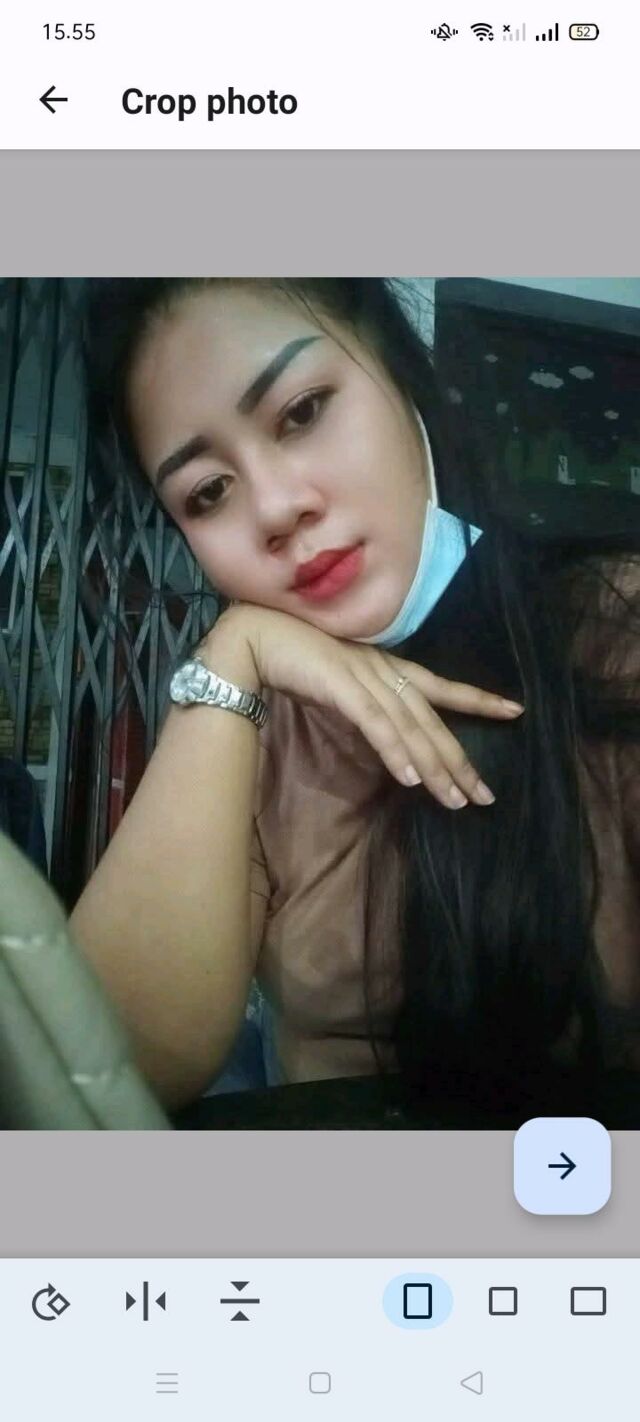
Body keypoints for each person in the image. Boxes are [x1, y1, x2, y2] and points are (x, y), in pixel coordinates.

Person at [72, 277, 640, 1117]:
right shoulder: (247, 726)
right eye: (208, 492)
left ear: (403, 378)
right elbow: (108, 1082)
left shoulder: (613, 625)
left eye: (302, 412)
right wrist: (234, 653)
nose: (276, 508)